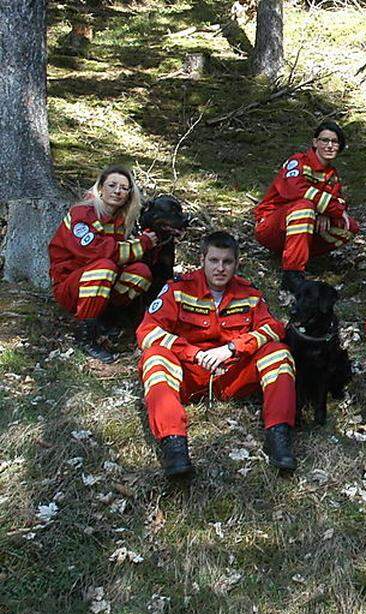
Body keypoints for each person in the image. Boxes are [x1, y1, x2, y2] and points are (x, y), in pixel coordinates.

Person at [136, 231, 297, 478]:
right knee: (154, 358)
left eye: (227, 262)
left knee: (277, 353)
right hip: (188, 376)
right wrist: (191, 352)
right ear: (202, 260)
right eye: (214, 261)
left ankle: (279, 437)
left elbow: (274, 328)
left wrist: (233, 347)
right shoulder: (177, 289)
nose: (220, 268)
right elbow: (146, 332)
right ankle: (174, 446)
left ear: (236, 264)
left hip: (233, 375)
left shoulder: (249, 294)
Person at [48, 166, 156, 363]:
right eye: (112, 185)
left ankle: (105, 319)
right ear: (100, 189)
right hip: (69, 287)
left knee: (141, 272)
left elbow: (116, 255)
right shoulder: (82, 213)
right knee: (104, 267)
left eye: (124, 188)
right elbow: (97, 252)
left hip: (97, 282)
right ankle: (85, 336)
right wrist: (143, 244)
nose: (118, 191)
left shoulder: (120, 219)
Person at [254, 121, 359, 293]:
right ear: (315, 142)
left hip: (300, 226)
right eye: (325, 140)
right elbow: (294, 189)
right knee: (304, 207)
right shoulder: (297, 162)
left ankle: (304, 256)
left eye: (335, 142)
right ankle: (292, 275)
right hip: (270, 226)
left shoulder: (332, 176)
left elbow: (340, 202)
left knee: (350, 226)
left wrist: (326, 210)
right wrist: (327, 208)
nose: (330, 145)